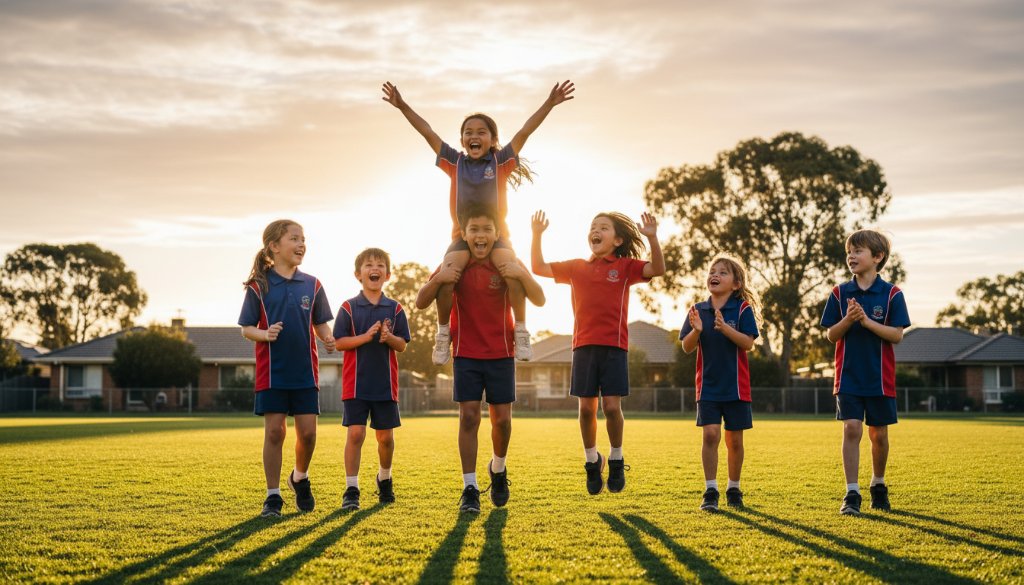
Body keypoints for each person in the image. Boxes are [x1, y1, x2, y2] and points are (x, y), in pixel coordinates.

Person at [383, 80, 574, 366]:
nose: (474, 136)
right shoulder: (454, 162)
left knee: (512, 270)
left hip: (499, 236)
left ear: (492, 140)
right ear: (462, 141)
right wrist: (402, 105)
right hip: (462, 235)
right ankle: (443, 332)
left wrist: (549, 103)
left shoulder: (500, 162)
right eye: (468, 132)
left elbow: (525, 131)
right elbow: (427, 132)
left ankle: (520, 330)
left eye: (481, 132)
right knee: (448, 276)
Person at [416, 203, 546, 513]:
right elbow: (421, 302)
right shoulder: (454, 263)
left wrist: (522, 275)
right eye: (474, 230)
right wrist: (438, 279)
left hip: (501, 352)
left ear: (497, 234)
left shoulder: (506, 262)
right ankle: (470, 487)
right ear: (464, 234)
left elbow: (540, 298)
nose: (480, 235)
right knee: (469, 417)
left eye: (487, 230)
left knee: (501, 422)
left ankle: (498, 469)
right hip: (466, 354)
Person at [531, 210, 664, 495]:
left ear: (616, 240)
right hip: (583, 348)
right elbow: (538, 266)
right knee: (586, 410)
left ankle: (616, 458)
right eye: (593, 227)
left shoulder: (626, 267)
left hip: (614, 348)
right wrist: (537, 235)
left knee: (612, 408)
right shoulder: (576, 267)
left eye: (603, 227)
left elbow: (657, 269)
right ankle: (593, 461)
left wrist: (652, 238)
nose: (596, 230)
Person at [238, 219, 336, 518]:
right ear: (274, 246)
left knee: (307, 435)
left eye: (303, 238)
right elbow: (246, 329)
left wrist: (329, 337)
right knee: (275, 432)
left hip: (305, 372)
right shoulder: (259, 286)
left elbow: (320, 324)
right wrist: (264, 334)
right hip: (272, 372)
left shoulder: (313, 284)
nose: (301, 244)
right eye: (294, 238)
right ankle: (273, 496)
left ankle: (299, 477)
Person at [820, 229, 910, 515]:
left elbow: (896, 336)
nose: (851, 256)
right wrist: (849, 318)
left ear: (878, 257)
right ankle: (852, 493)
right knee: (852, 428)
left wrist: (867, 322)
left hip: (880, 378)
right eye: (850, 251)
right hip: (848, 377)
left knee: (878, 434)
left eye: (858, 251)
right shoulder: (839, 293)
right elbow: (831, 336)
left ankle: (878, 485)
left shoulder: (893, 294)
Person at [679, 255, 761, 512]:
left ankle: (733, 488)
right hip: (708, 388)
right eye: (712, 271)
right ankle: (711, 489)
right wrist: (697, 331)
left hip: (737, 388)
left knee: (734, 441)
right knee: (711, 435)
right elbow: (686, 347)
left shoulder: (742, 309)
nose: (715, 275)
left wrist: (725, 328)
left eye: (723, 272)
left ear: (736, 283)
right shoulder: (697, 310)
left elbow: (748, 343)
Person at [333, 248, 410, 511]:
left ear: (387, 275)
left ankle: (384, 479)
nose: (373, 268)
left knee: (385, 438)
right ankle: (351, 489)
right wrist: (366, 337)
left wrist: (390, 338)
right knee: (356, 434)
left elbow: (402, 346)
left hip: (385, 386)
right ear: (358, 274)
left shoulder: (396, 309)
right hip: (355, 384)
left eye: (379, 265)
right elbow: (340, 342)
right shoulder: (348, 308)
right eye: (368, 265)